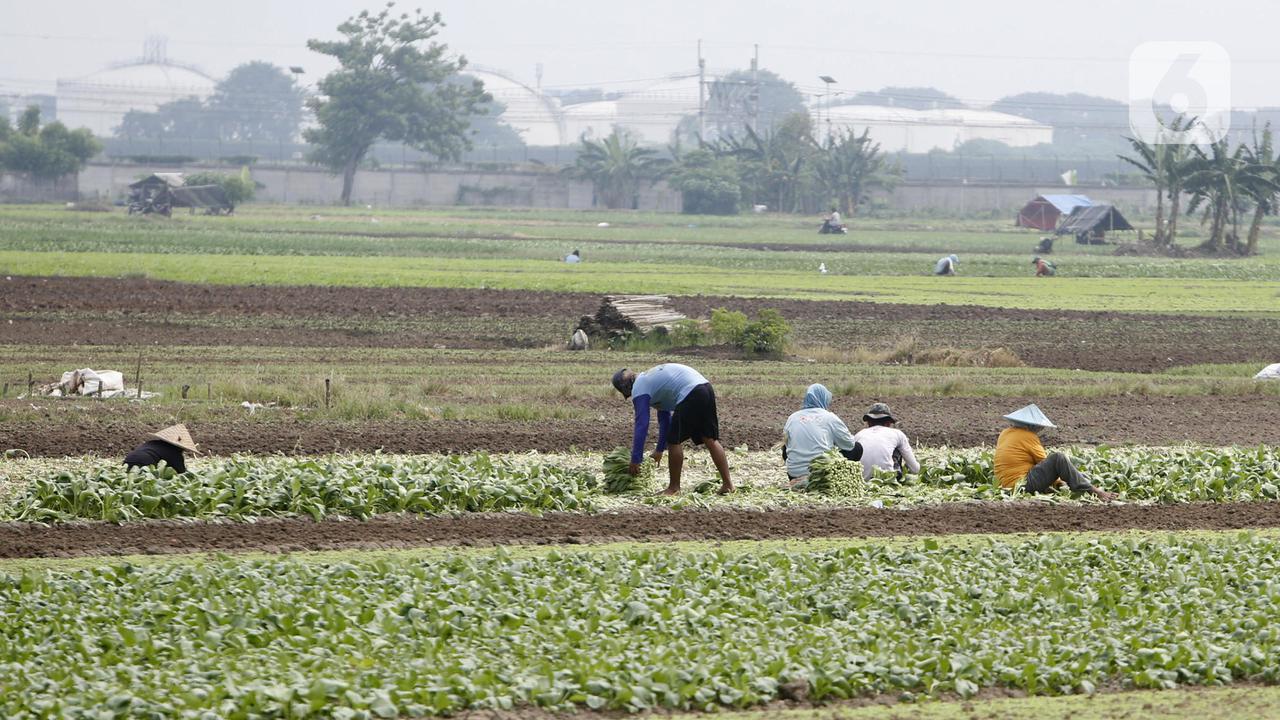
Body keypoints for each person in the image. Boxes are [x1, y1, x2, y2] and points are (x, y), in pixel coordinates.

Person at [612, 363, 732, 495]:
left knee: (674, 441)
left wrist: (636, 459)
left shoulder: (639, 387)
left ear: (626, 388)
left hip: (690, 392)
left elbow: (642, 424)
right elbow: (665, 420)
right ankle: (728, 485)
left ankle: (674, 488)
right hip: (704, 388)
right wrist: (659, 451)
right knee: (709, 438)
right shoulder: (651, 382)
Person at [994, 404, 1115, 501]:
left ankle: (1083, 484)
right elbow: (1046, 462)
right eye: (1039, 426)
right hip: (1021, 484)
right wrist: (1060, 483)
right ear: (1031, 426)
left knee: (1075, 474)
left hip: (1007, 486)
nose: (1040, 429)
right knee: (1058, 458)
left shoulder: (1005, 433)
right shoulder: (1028, 436)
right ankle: (1094, 491)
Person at [783, 384, 862, 484]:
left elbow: (786, 445)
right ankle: (842, 482)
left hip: (794, 473)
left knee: (785, 447)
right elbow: (850, 444)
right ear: (824, 399)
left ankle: (796, 478)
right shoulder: (829, 418)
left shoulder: (792, 418)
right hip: (820, 473)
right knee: (857, 448)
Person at [851, 402, 920, 481]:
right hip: (888, 481)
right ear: (888, 423)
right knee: (897, 448)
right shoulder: (897, 434)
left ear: (869, 422)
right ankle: (894, 476)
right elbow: (915, 469)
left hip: (862, 480)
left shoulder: (859, 435)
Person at [123, 424, 198, 473]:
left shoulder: (152, 443)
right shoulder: (175, 453)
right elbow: (181, 472)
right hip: (145, 463)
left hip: (127, 460)